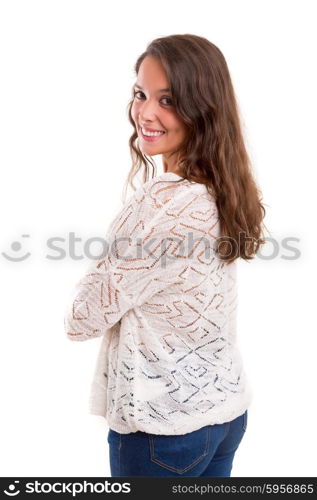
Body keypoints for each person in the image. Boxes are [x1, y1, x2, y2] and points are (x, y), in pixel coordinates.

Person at [64, 33, 267, 477]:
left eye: (169, 100)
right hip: (224, 412)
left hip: (164, 430)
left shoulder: (161, 204)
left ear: (202, 109)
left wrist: (108, 255)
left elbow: (81, 320)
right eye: (141, 94)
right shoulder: (220, 188)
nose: (146, 112)